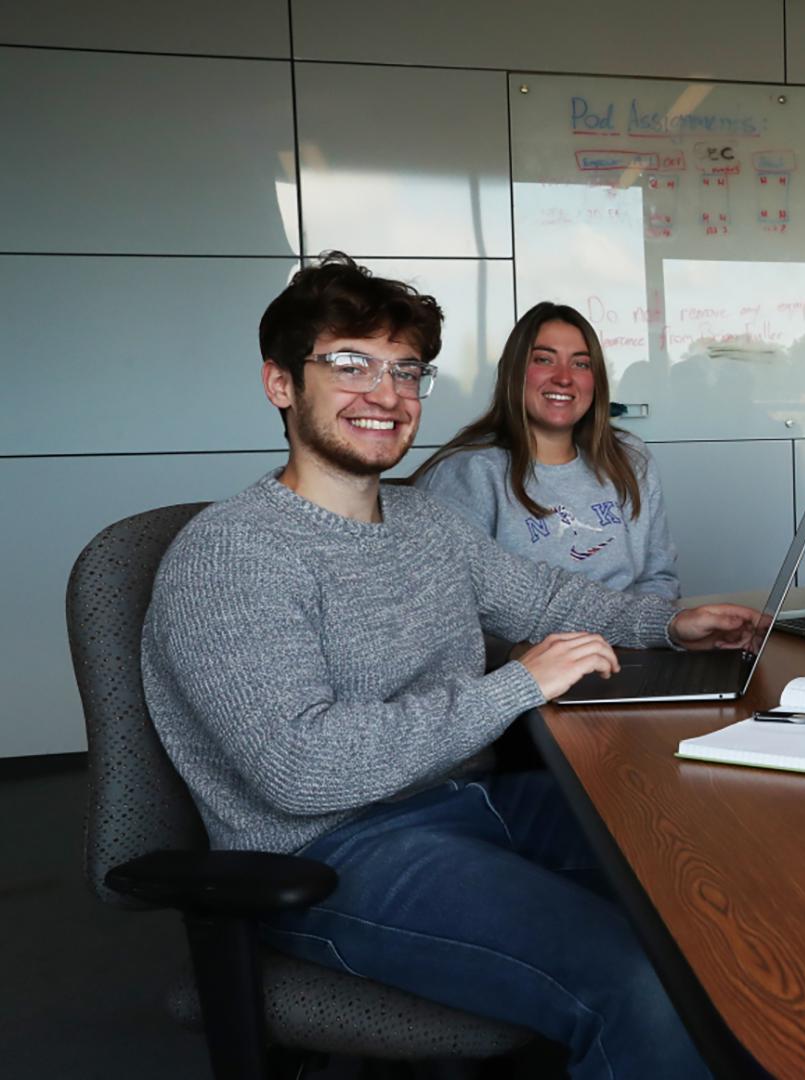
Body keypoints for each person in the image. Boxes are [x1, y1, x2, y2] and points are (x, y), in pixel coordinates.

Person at [142, 254, 761, 1077]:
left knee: (717, 875)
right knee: (637, 978)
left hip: (467, 801)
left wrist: (672, 624)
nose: (387, 393)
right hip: (334, 851)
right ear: (281, 384)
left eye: (405, 370)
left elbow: (546, 601)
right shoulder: (232, 552)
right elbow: (301, 768)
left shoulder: (423, 521)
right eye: (350, 363)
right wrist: (516, 686)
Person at [413, 302, 679, 600]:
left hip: (634, 641)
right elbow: (452, 611)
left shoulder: (630, 457)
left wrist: (641, 637)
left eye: (581, 364)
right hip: (534, 647)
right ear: (515, 372)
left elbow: (659, 577)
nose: (564, 377)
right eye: (544, 359)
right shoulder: (467, 474)